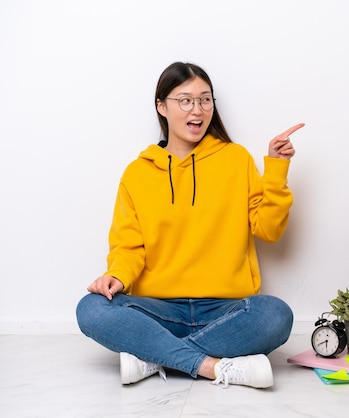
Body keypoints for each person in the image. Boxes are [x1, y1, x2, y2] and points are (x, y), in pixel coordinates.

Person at [76, 62, 304, 389]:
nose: (197, 110)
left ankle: (154, 356)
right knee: (92, 308)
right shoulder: (137, 174)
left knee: (275, 315)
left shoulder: (236, 160)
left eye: (205, 100)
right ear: (161, 106)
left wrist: (277, 170)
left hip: (225, 310)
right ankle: (213, 366)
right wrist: (116, 276)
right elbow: (129, 247)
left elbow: (269, 230)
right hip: (158, 310)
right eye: (185, 100)